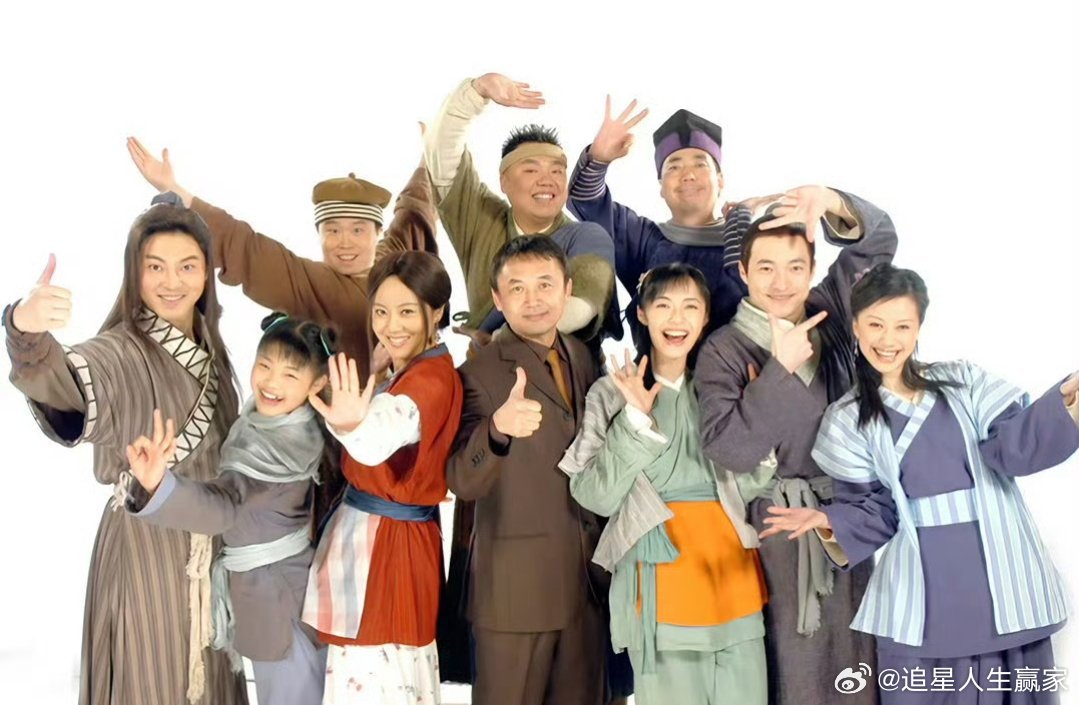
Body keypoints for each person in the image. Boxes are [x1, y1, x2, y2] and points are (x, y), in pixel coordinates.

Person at [764, 263, 1079, 705]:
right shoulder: (846, 420)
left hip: (999, 573)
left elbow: (1015, 447)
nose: (887, 339)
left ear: (918, 329)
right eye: (875, 324)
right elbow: (876, 512)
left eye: (902, 326)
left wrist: (1066, 405)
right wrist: (829, 520)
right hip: (923, 587)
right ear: (855, 326)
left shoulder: (965, 382)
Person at [3, 193, 246, 705]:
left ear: (206, 274)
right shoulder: (120, 350)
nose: (172, 281)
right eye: (155, 266)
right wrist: (27, 333)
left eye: (187, 266)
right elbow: (68, 383)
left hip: (212, 551)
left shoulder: (212, 353)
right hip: (145, 553)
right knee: (150, 680)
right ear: (134, 273)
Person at [694, 187, 898, 705]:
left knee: (857, 660)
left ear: (812, 271)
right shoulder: (722, 348)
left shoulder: (832, 314)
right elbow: (730, 450)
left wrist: (828, 200)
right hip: (776, 526)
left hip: (846, 516)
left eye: (794, 267)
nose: (781, 282)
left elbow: (878, 240)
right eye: (765, 268)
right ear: (743, 272)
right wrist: (779, 371)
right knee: (790, 664)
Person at [561, 263, 768, 705]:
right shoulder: (609, 393)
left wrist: (759, 420)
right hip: (660, 575)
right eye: (664, 306)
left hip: (731, 571)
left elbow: (750, 485)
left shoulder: (719, 389)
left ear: (706, 316)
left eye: (690, 306)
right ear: (642, 313)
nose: (677, 319)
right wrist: (634, 421)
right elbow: (594, 495)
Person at [122, 314, 337, 705]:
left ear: (317, 383)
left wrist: (159, 486)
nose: (271, 382)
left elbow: (223, 507)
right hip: (284, 592)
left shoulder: (277, 449)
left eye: (290, 375)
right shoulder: (279, 422)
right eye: (265, 365)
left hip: (281, 603)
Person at [447, 236, 606, 705]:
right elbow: (461, 478)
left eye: (545, 284)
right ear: (498, 299)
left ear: (567, 290)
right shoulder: (478, 373)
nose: (533, 299)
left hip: (587, 587)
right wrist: (497, 431)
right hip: (514, 595)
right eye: (517, 288)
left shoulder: (583, 356)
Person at [126, 134, 438, 369]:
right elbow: (246, 245)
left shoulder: (392, 262)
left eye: (358, 230)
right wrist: (174, 190)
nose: (345, 242)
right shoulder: (312, 283)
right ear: (319, 234)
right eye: (332, 230)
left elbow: (413, 211)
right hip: (337, 429)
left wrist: (429, 155)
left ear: (378, 232)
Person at [302, 251, 462, 704]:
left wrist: (350, 423)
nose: (392, 326)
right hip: (394, 538)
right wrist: (377, 374)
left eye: (407, 312)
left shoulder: (429, 380)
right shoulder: (416, 368)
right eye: (381, 312)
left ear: (437, 312)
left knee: (377, 675)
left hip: (389, 549)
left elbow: (379, 439)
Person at [424, 72, 619, 346]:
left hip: (567, 371)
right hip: (488, 369)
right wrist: (477, 91)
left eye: (557, 171)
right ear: (504, 181)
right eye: (531, 170)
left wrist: (498, 339)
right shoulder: (480, 220)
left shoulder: (586, 237)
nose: (547, 180)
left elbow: (580, 309)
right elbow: (441, 153)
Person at [568, 102, 780, 346]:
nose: (688, 175)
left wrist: (741, 221)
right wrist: (597, 159)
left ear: (720, 180)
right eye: (674, 166)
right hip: (652, 370)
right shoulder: (643, 239)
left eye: (700, 164)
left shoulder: (754, 241)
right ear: (661, 187)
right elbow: (586, 201)